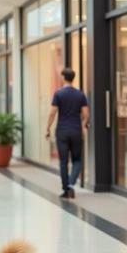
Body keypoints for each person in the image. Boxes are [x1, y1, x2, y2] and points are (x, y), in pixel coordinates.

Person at [46, 68, 89, 199]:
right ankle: (71, 183)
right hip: (76, 131)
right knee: (77, 160)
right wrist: (82, 126)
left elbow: (53, 113)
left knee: (63, 161)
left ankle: (66, 189)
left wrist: (47, 128)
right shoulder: (80, 95)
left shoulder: (58, 94)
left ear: (64, 77)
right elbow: (86, 115)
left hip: (62, 132)